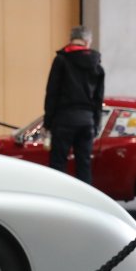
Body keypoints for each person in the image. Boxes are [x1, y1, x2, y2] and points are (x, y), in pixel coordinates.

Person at [43, 25, 106, 185]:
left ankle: (57, 197)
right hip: (87, 121)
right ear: (87, 41)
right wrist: (96, 124)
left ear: (71, 39)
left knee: (58, 164)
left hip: (64, 120)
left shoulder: (61, 60)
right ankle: (84, 198)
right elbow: (98, 99)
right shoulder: (97, 65)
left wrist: (48, 123)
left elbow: (52, 93)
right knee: (84, 165)